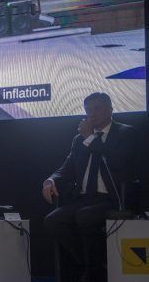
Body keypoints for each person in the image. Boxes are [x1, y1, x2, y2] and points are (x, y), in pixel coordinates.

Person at [42, 92, 139, 282]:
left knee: (84, 216)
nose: (92, 114)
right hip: (86, 199)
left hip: (115, 199)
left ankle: (93, 270)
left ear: (110, 109)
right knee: (53, 220)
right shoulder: (79, 140)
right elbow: (67, 168)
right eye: (88, 110)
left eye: (97, 108)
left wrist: (90, 139)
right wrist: (51, 180)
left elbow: (119, 162)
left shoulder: (125, 133)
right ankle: (93, 265)